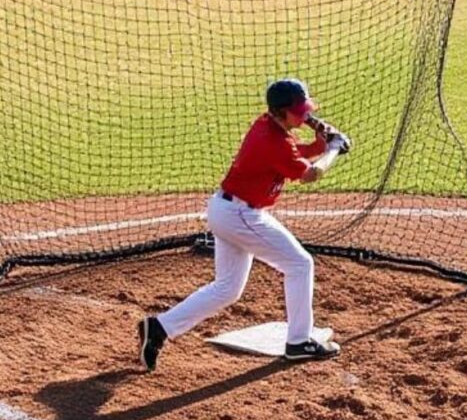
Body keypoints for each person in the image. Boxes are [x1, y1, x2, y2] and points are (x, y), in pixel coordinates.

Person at [138, 78, 351, 371]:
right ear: (280, 111)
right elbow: (310, 174)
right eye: (298, 112)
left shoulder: (269, 126)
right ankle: (299, 342)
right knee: (300, 264)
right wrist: (333, 150)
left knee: (227, 288)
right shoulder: (270, 140)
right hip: (240, 215)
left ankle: (159, 328)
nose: (304, 116)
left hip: (227, 210)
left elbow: (291, 155)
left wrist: (320, 142)